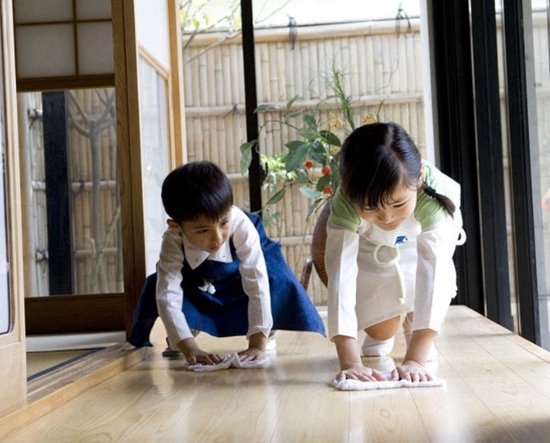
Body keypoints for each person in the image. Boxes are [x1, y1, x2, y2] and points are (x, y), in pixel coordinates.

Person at [129, 161, 325, 367]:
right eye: (203, 231)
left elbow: (256, 282)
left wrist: (257, 345)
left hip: (241, 281)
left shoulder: (242, 227)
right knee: (158, 285)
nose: (218, 238)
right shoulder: (172, 239)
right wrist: (189, 348)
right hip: (201, 283)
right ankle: (186, 333)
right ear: (176, 226)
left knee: (275, 277)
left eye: (224, 223)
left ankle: (266, 331)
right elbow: (168, 292)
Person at [325, 122, 465, 383]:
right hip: (373, 248)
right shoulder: (345, 201)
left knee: (420, 312)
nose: (387, 217)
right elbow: (340, 276)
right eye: (371, 207)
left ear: (420, 175)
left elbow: (435, 270)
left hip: (415, 243)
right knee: (381, 329)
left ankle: (417, 330)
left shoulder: (431, 194)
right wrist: (350, 362)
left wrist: (415, 360)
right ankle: (385, 332)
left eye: (398, 203)